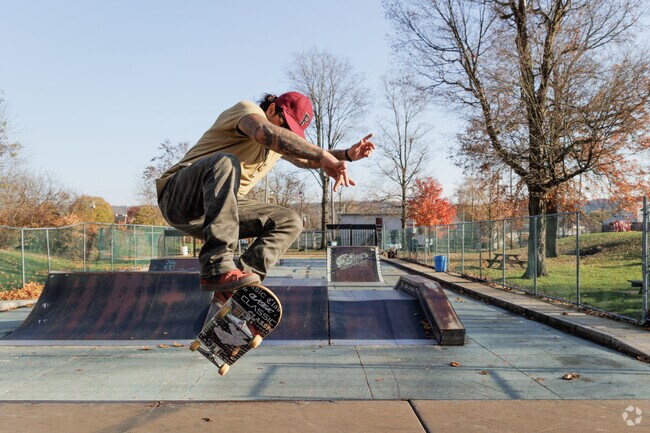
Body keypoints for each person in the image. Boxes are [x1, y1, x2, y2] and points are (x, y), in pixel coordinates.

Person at [156, 91, 374, 296]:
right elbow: (267, 133)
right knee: (225, 162)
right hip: (179, 197)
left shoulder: (276, 147)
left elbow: (304, 158)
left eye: (292, 131)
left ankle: (236, 289)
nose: (287, 133)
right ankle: (216, 267)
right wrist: (324, 154)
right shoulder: (247, 111)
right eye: (285, 125)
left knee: (290, 221)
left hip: (217, 215)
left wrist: (345, 155)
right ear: (271, 108)